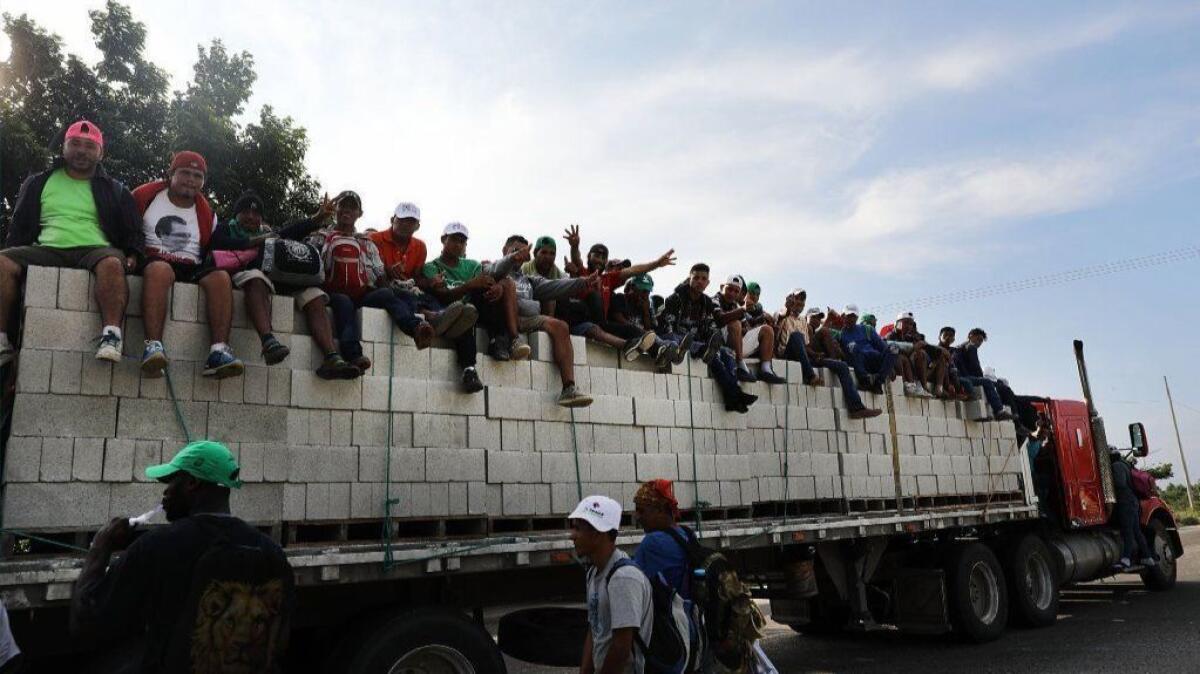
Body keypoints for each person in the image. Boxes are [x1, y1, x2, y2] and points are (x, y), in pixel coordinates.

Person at [70, 440, 294, 673]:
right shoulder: (272, 553)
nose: (165, 492)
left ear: (192, 483)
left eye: (171, 481)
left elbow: (86, 624)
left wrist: (100, 547)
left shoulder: (158, 546)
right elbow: (279, 639)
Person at [1, 119, 141, 366]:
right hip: (47, 248)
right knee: (2, 261)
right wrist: (15, 254)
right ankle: (1, 340)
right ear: (64, 147)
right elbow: (20, 225)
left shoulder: (115, 189)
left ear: (100, 152)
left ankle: (111, 336)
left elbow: (133, 230)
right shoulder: (38, 182)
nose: (81, 151)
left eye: (89, 146)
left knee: (112, 263)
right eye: (75, 143)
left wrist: (133, 254)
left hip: (95, 249)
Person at [210, 190, 361, 379]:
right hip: (245, 278)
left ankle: (331, 357)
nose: (250, 216)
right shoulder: (226, 228)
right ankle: (269, 342)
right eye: (245, 212)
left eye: (256, 213)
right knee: (255, 277)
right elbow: (218, 243)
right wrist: (254, 241)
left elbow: (286, 233)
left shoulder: (266, 232)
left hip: (279, 280)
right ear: (236, 214)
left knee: (313, 294)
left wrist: (316, 219)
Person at [133, 151, 244, 379]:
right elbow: (125, 227)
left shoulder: (206, 212)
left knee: (220, 277)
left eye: (197, 175)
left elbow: (211, 247)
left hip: (191, 265)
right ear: (171, 173)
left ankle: (218, 351)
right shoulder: (146, 196)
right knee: (159, 270)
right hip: (154, 259)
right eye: (185, 173)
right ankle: (153, 346)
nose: (191, 180)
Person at [492, 234, 596, 406]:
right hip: (504, 319)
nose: (519, 255)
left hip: (528, 320)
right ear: (505, 250)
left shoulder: (529, 279)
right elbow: (493, 271)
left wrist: (582, 282)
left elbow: (554, 285)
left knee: (561, 326)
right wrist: (512, 258)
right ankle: (514, 340)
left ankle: (568, 388)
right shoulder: (494, 269)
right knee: (508, 285)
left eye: (524, 252)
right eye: (515, 250)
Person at [368, 201, 478, 349]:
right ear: (392, 220)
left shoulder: (420, 246)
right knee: (398, 294)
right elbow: (369, 273)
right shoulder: (374, 239)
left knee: (426, 295)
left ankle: (440, 317)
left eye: (411, 221)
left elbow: (417, 278)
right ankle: (431, 318)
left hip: (408, 289)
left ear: (417, 226)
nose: (406, 224)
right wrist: (387, 270)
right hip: (380, 287)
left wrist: (430, 282)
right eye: (402, 219)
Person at [570, 495, 652, 674]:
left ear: (598, 533)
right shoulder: (594, 572)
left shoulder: (623, 578)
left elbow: (621, 649)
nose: (572, 536)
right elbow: (595, 628)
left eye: (577, 528)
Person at [659, 264, 756, 413]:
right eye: (696, 278)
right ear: (689, 278)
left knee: (725, 353)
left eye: (703, 279)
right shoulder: (675, 298)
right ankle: (736, 394)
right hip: (676, 339)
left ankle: (732, 399)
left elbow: (711, 328)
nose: (699, 281)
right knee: (709, 352)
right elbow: (667, 328)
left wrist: (713, 343)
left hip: (697, 342)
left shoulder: (706, 302)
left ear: (707, 283)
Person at [780, 304, 881, 419]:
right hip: (801, 357)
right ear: (807, 317)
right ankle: (811, 375)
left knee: (842, 366)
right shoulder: (804, 327)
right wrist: (816, 354)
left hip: (814, 359)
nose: (817, 320)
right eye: (814, 317)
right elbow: (801, 345)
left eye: (819, 317)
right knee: (824, 332)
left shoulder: (816, 332)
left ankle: (856, 408)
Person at [713, 276, 785, 384]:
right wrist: (742, 311)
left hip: (736, 347)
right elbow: (720, 319)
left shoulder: (735, 305)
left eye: (736, 291)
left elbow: (745, 328)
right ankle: (740, 366)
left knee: (767, 330)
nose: (732, 293)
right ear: (722, 287)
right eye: (729, 289)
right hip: (720, 346)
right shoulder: (714, 300)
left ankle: (766, 370)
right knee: (735, 324)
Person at [609, 273, 683, 372]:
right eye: (642, 290)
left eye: (647, 292)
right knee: (651, 337)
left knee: (664, 339)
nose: (644, 294)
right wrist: (638, 330)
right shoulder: (620, 298)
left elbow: (649, 328)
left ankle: (671, 351)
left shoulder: (644, 305)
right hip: (626, 333)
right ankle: (665, 349)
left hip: (642, 338)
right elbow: (617, 317)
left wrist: (645, 311)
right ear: (632, 288)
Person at [633, 480, 690, 599]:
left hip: (669, 614)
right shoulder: (687, 533)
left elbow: (631, 581)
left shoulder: (652, 542)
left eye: (641, 511)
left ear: (659, 510)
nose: (637, 517)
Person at [952, 328, 1014, 421]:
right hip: (965, 377)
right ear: (970, 336)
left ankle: (996, 411)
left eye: (981, 341)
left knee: (991, 384)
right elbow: (975, 366)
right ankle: (999, 411)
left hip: (963, 376)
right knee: (990, 383)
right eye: (978, 339)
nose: (979, 343)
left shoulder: (960, 347)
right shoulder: (971, 347)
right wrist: (982, 378)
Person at [1110, 450, 1156, 570]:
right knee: (1136, 531)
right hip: (1132, 501)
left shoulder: (1116, 466)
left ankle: (1126, 559)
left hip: (1125, 501)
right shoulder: (1125, 465)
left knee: (1128, 530)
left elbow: (1120, 483)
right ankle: (1148, 557)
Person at [837, 304, 896, 393]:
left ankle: (878, 383)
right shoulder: (839, 334)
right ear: (843, 316)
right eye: (849, 316)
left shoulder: (867, 329)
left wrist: (890, 366)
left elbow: (883, 347)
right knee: (854, 346)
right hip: (858, 363)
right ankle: (864, 381)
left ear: (857, 317)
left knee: (894, 347)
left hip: (874, 360)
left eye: (854, 316)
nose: (852, 319)